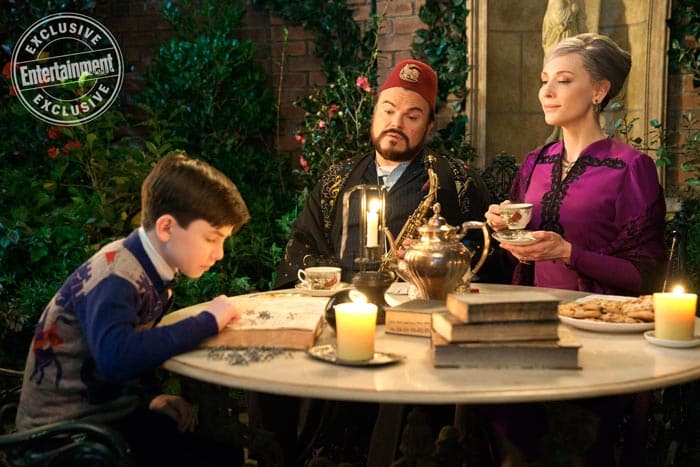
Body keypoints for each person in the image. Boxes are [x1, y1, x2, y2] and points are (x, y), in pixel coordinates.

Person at [482, 33, 666, 466]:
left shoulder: (630, 167)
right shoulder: (535, 161)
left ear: (599, 91)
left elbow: (647, 275)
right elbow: (519, 253)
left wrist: (568, 254)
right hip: (531, 328)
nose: (546, 91)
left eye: (563, 81)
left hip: (599, 338)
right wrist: (504, 227)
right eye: (544, 80)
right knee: (488, 406)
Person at [15, 151, 251, 466]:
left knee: (221, 450)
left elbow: (129, 347)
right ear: (167, 227)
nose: (219, 253)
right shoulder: (117, 276)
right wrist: (208, 320)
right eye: (212, 238)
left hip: (101, 416)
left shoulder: (152, 269)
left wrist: (150, 397)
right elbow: (117, 357)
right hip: (61, 439)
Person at [275, 58, 494, 289]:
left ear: (429, 126)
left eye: (412, 117)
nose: (395, 123)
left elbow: (488, 258)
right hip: (346, 303)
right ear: (374, 114)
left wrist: (441, 261)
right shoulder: (337, 179)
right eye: (388, 111)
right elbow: (302, 248)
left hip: (422, 306)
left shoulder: (458, 181)